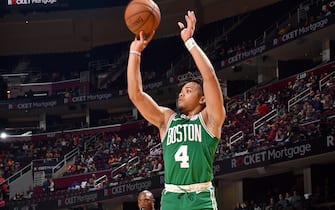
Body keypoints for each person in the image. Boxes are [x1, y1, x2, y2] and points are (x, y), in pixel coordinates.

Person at [127, 10, 226, 210]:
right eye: (181, 91)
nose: (181, 94)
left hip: (200, 198)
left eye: (188, 90)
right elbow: (136, 95)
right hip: (171, 196)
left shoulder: (210, 119)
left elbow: (210, 77)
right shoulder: (167, 119)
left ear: (203, 98)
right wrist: (135, 53)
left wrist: (190, 41)